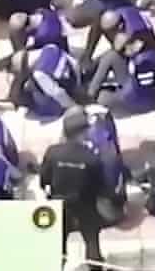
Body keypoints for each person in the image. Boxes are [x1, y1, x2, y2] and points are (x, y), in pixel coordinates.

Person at [41, 108, 108, 268]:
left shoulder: (53, 152)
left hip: (59, 203)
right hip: (84, 203)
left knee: (59, 242)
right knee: (91, 240)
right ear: (82, 132)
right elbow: (99, 184)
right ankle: (95, 268)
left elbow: (44, 178)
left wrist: (47, 190)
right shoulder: (91, 157)